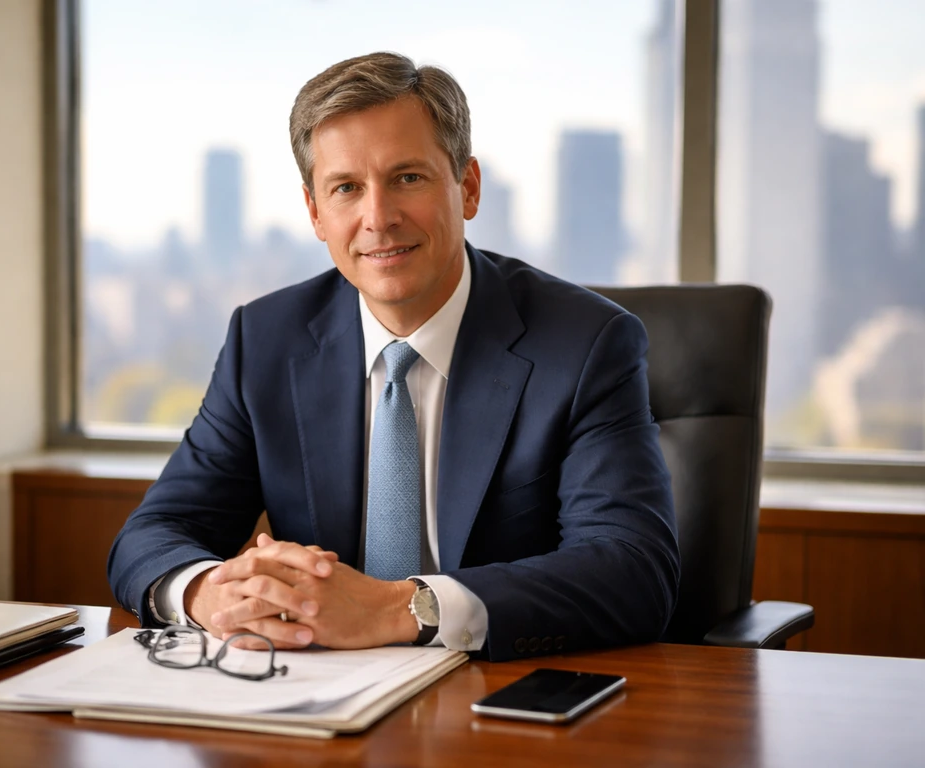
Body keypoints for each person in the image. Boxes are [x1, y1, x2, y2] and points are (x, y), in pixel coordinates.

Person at [108, 51, 679, 662]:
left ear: (468, 187)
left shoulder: (586, 343)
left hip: (501, 699)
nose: (377, 218)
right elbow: (153, 534)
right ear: (315, 213)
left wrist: (396, 608)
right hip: (313, 700)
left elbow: (632, 568)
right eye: (347, 188)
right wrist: (205, 594)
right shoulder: (266, 340)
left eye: (408, 178)